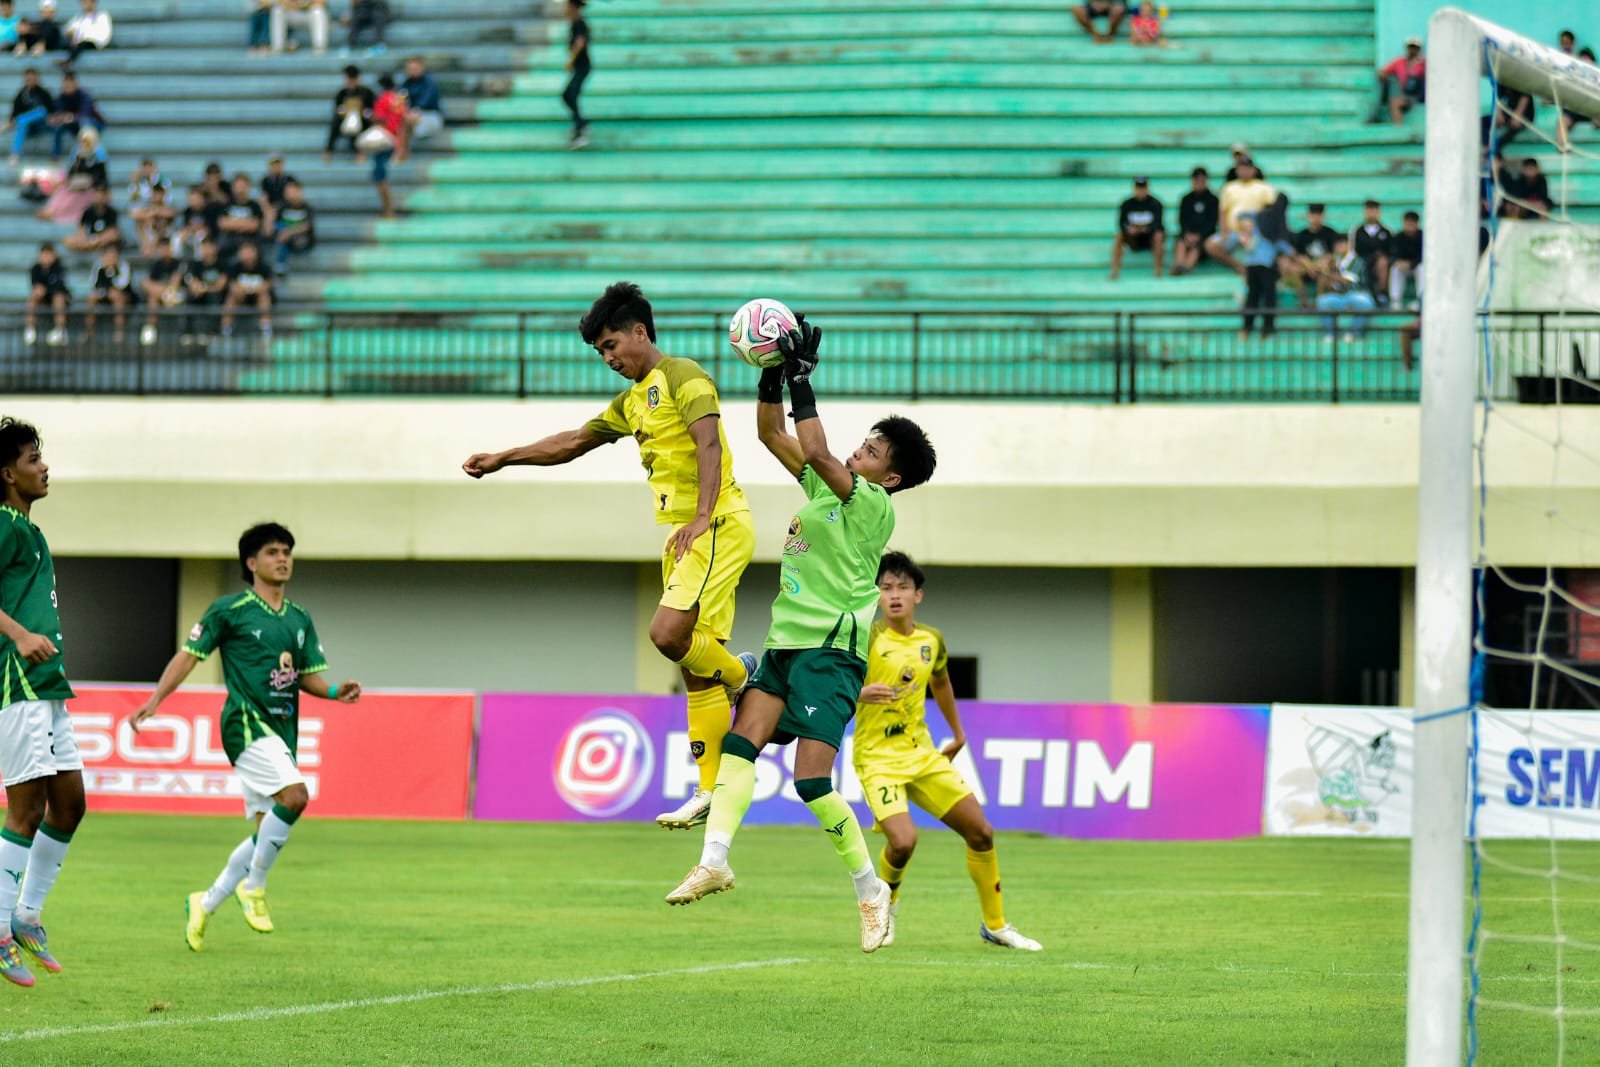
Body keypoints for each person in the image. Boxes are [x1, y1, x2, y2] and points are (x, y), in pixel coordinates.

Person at [665, 317, 938, 957]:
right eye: (862, 445)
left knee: (811, 781)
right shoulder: (826, 489)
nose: (858, 453)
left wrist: (803, 379)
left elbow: (816, 452)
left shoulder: (872, 505)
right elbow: (770, 433)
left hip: (831, 653)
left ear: (889, 478)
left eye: (872, 452)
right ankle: (714, 861)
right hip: (786, 644)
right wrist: (771, 373)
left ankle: (871, 891)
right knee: (739, 746)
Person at [463, 282, 759, 830]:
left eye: (610, 345)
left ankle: (745, 675)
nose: (607, 358)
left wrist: (702, 515)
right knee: (696, 666)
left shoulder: (684, 376)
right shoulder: (631, 402)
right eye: (600, 351)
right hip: (684, 536)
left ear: (639, 332)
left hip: (715, 525)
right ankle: (710, 789)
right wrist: (504, 457)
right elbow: (573, 442)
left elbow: (709, 444)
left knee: (667, 635)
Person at [128, 523, 362, 951]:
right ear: (251, 563)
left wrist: (333, 692)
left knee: (263, 833)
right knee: (296, 797)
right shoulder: (230, 610)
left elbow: (304, 675)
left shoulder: (298, 617)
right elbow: (190, 655)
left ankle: (205, 902)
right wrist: (156, 699)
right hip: (245, 723)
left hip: (282, 731)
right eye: (273, 552)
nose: (283, 558)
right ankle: (253, 888)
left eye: (287, 551)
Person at [852, 551, 1041, 952]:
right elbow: (835, 683)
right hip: (877, 758)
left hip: (921, 754)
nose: (894, 595)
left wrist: (957, 733)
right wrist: (861, 692)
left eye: (902, 587)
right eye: (886, 588)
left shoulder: (931, 640)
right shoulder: (867, 637)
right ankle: (888, 908)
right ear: (877, 596)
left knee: (981, 831)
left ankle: (996, 925)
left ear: (918, 595)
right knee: (903, 842)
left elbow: (941, 683)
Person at [0, 417, 84, 988]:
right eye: (33, 458)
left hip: (47, 685)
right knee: (25, 811)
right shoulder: (3, 525)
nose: (44, 466)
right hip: (19, 681)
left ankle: (26, 915)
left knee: (70, 804)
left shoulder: (30, 531)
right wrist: (19, 635)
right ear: (8, 474)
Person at [1224, 212, 1293, 341]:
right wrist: (1241, 236)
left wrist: (1291, 252)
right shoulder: (1244, 235)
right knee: (1252, 297)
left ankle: (1268, 328)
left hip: (1268, 267)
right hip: (1252, 267)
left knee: (1269, 296)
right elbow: (1228, 245)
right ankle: (1247, 327)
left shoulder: (1267, 231)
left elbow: (1280, 244)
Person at [1206, 157, 1274, 275]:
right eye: (1242, 168)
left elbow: (1271, 210)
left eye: (1248, 168)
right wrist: (1224, 232)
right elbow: (1223, 212)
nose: (1245, 171)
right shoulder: (1229, 188)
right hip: (1233, 233)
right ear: (1237, 170)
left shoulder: (1264, 188)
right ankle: (1238, 266)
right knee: (1210, 245)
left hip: (1256, 233)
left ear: (1254, 170)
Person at [1315, 234, 1376, 342]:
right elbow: (1329, 284)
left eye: (1342, 244)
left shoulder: (1357, 261)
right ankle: (1332, 334)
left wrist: (1326, 273)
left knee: (1364, 302)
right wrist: (1323, 268)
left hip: (1357, 293)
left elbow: (1346, 280)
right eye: (1337, 245)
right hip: (1339, 296)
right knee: (1323, 301)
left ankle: (1354, 334)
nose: (1339, 247)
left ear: (1349, 245)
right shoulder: (1333, 261)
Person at [38, 124, 103, 224]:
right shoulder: (78, 153)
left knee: (70, 192)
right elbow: (72, 170)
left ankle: (54, 212)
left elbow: (99, 175)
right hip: (74, 183)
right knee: (62, 187)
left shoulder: (99, 154)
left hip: (88, 188)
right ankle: (51, 210)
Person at [1283, 202, 1339, 306]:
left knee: (1325, 268)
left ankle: (1319, 301)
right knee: (1293, 269)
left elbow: (1331, 254)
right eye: (1313, 215)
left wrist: (1318, 265)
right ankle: (1303, 301)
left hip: (1323, 267)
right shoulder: (1302, 234)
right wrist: (1310, 266)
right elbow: (1299, 255)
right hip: (1306, 267)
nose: (1316, 218)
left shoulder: (1330, 233)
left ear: (1323, 216)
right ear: (1308, 216)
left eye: (1318, 215)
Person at [1109, 176, 1164, 279]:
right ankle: (1115, 271)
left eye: (1143, 188)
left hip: (1149, 238)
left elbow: (1158, 223)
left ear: (1147, 188)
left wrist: (1145, 229)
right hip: (1133, 238)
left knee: (1159, 235)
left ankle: (1158, 270)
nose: (1141, 191)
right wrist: (1129, 230)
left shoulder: (1155, 204)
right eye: (1139, 188)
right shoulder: (1126, 204)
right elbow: (1121, 223)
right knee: (1118, 236)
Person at [367, 72, 406, 216]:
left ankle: (388, 208)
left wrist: (371, 117)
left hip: (384, 140)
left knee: (380, 176)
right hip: (395, 139)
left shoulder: (383, 99)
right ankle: (388, 208)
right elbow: (402, 121)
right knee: (382, 175)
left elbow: (380, 119)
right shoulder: (398, 99)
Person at [219, 240, 272, 339]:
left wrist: (250, 290)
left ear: (255, 252)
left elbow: (266, 285)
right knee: (231, 298)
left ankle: (266, 328)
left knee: (264, 297)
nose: (246, 254)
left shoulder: (264, 267)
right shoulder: (234, 268)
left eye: (249, 251)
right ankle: (226, 328)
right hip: (240, 298)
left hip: (257, 297)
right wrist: (245, 290)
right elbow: (233, 286)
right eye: (243, 251)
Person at [1171, 166, 1218, 276]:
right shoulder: (1186, 199)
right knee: (1181, 241)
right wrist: (1187, 233)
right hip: (1188, 234)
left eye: (1202, 181)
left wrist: (1199, 235)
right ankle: (1179, 264)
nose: (1199, 183)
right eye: (1197, 180)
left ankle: (1187, 267)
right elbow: (1182, 220)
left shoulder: (1213, 200)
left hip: (1205, 235)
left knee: (1197, 246)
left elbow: (1212, 222)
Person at [45, 70, 103, 159]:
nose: (67, 88)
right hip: (74, 124)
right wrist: (55, 118)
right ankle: (56, 155)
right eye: (66, 85)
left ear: (75, 84)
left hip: (93, 123)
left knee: (84, 123)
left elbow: (85, 114)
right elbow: (58, 113)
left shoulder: (84, 96)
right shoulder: (61, 97)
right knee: (58, 126)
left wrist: (71, 117)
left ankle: (87, 154)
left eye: (70, 85)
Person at [324, 63, 374, 161]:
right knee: (336, 122)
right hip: (345, 118)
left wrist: (363, 112)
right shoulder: (342, 93)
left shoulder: (366, 93)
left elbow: (370, 109)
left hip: (362, 118)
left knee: (361, 124)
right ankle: (328, 150)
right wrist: (343, 112)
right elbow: (338, 109)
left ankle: (361, 152)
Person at [181, 237, 227, 343]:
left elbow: (220, 286)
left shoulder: (222, 264)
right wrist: (201, 288)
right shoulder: (196, 265)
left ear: (215, 248)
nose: (207, 250)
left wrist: (204, 288)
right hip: (200, 295)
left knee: (214, 297)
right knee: (190, 296)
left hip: (217, 296)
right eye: (204, 246)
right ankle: (188, 332)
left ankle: (213, 332)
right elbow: (193, 284)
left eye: (209, 246)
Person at [215, 171, 267, 263]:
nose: (240, 190)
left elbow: (254, 225)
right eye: (238, 187)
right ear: (233, 188)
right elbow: (222, 223)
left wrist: (233, 223)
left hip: (249, 242)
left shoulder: (254, 206)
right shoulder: (227, 205)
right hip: (229, 243)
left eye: (243, 186)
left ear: (248, 187)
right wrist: (245, 223)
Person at [5, 66, 52, 165]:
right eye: (28, 79)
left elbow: (51, 110)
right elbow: (15, 110)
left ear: (37, 79)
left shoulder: (44, 93)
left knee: (41, 110)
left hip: (41, 125)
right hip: (28, 127)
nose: (30, 81)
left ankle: (19, 120)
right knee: (23, 123)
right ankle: (15, 153)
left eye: (32, 79)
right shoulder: (21, 94)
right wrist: (11, 119)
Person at [24, 242, 68, 346]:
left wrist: (46, 290)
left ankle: (60, 330)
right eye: (44, 255)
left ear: (54, 255)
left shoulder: (59, 267)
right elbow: (35, 285)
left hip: (57, 297)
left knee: (59, 298)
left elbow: (58, 287)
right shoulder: (35, 268)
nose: (46, 258)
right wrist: (40, 291)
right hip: (43, 298)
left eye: (49, 255)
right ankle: (30, 329)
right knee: (33, 297)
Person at [139, 243, 184, 345]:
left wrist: (163, 288)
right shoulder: (157, 264)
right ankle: (151, 328)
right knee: (152, 296)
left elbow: (175, 283)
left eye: (167, 248)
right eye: (163, 248)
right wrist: (164, 290)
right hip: (165, 297)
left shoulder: (177, 263)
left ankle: (150, 330)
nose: (165, 251)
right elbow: (149, 283)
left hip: (177, 295)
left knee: (154, 293)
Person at [84, 242, 131, 341]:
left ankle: (119, 331)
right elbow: (94, 283)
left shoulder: (123, 266)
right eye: (109, 254)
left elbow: (123, 284)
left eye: (114, 254)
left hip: (123, 295)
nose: (111, 257)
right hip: (104, 294)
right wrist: (105, 291)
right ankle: (89, 331)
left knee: (118, 298)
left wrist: (113, 271)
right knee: (91, 298)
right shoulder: (99, 266)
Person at [1349, 199, 1392, 303]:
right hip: (1362, 260)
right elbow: (1354, 250)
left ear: (1378, 212)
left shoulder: (1386, 231)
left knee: (1383, 263)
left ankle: (1382, 293)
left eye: (1374, 210)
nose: (1371, 213)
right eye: (1369, 210)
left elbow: (1390, 251)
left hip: (1379, 262)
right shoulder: (1357, 231)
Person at [1375, 35, 1424, 125]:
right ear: (1407, 48)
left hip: (1415, 95)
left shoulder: (1423, 63)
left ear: (1419, 50)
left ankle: (1398, 126)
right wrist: (1385, 78)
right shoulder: (1399, 62)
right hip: (1401, 92)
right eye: (1411, 47)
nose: (1413, 50)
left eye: (1415, 48)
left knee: (1395, 103)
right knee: (1392, 80)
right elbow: (1382, 72)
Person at [271, 178, 314, 276]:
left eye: (293, 191)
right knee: (280, 230)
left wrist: (289, 232)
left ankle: (280, 263)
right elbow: (273, 225)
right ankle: (280, 263)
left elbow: (307, 226)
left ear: (300, 191)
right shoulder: (282, 207)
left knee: (285, 235)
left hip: (301, 240)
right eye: (288, 192)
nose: (291, 194)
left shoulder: (307, 208)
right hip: (285, 239)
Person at [563, 0, 591, 148]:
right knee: (568, 95)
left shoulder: (579, 23)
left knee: (570, 95)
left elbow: (580, 43)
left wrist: (571, 60)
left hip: (583, 67)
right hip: (580, 67)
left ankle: (580, 131)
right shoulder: (575, 23)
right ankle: (581, 124)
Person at [61, 178, 117, 251]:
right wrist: (87, 240)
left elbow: (112, 232)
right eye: (97, 193)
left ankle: (89, 247)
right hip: (89, 240)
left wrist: (96, 240)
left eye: (102, 193)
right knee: (67, 240)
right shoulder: (87, 212)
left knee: (112, 236)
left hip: (102, 242)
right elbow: (81, 231)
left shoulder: (111, 212)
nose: (100, 196)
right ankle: (89, 247)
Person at [1560, 48, 1597, 149]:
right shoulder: (1571, 79)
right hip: (1576, 111)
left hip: (1593, 111)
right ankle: (1564, 149)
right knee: (1562, 122)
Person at [399, 55, 443, 142]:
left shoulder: (430, 83)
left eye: (415, 68)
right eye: (410, 69)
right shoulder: (405, 84)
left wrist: (415, 111)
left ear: (422, 68)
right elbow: (400, 100)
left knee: (413, 125)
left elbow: (425, 102)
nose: (413, 71)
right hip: (410, 116)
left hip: (430, 115)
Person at [1388, 211, 1423, 309]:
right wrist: (1398, 262)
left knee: (1422, 269)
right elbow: (1392, 254)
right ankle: (1395, 300)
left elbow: (1424, 256)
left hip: (1416, 266)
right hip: (1402, 267)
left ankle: (1420, 300)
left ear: (1417, 224)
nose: (1410, 225)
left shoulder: (1423, 237)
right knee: (1395, 269)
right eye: (1407, 222)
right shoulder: (1398, 237)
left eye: (1412, 223)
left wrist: (1411, 264)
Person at [59, 0, 109, 66]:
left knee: (83, 43)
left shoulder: (102, 16)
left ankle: (69, 61)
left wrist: (100, 45)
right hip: (78, 45)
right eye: (84, 2)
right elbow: (66, 29)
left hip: (93, 44)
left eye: (89, 2)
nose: (86, 4)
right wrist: (70, 33)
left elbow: (104, 35)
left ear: (94, 3)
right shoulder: (78, 18)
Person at [171, 184, 212, 259]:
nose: (193, 201)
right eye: (191, 199)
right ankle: (177, 259)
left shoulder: (209, 210)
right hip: (191, 235)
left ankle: (198, 260)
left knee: (200, 236)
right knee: (177, 237)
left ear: (202, 198)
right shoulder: (187, 211)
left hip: (206, 238)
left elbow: (209, 228)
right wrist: (188, 231)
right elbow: (184, 227)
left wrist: (197, 229)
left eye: (195, 199)